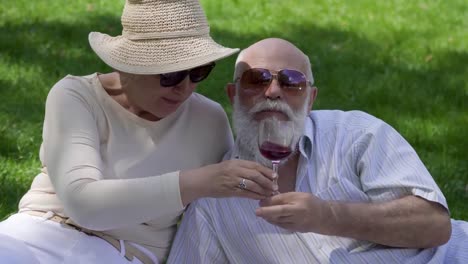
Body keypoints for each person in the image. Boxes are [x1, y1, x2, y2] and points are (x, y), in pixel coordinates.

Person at [0, 1, 275, 264]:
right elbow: (84, 203)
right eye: (171, 75)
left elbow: (225, 216)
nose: (185, 88)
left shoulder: (208, 119)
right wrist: (199, 181)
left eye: (199, 72)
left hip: (125, 254)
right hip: (38, 231)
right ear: (128, 66)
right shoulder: (76, 96)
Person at [167, 38, 468, 263]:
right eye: (256, 79)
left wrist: (328, 215)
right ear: (234, 95)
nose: (272, 92)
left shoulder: (356, 135)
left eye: (291, 82)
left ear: (310, 100)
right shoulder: (214, 205)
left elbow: (435, 226)